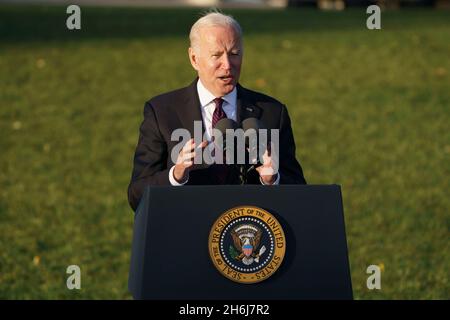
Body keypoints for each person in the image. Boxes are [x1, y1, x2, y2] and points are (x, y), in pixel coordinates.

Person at [128, 12, 306, 211]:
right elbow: (136, 195)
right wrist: (176, 175)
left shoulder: (272, 113)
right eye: (217, 55)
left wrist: (272, 179)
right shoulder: (162, 112)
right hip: (185, 232)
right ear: (194, 59)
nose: (228, 65)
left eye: (234, 54)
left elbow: (300, 191)